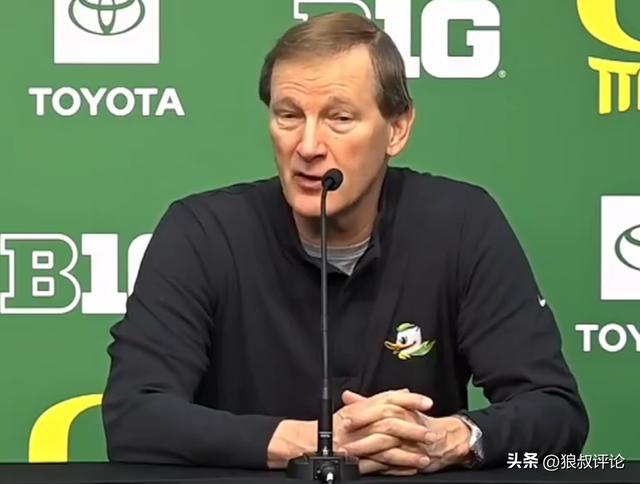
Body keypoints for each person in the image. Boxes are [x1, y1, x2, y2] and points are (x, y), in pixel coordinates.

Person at [102, 12, 589, 476]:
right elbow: (134, 416)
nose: (308, 146)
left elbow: (555, 410)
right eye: (289, 115)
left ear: (397, 129)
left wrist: (451, 439)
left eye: (339, 118)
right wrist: (314, 443)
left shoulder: (461, 223)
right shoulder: (201, 232)